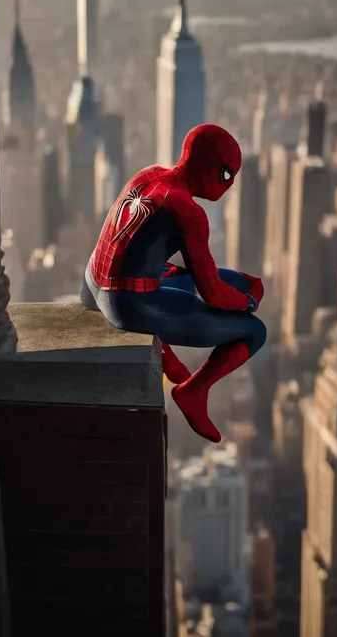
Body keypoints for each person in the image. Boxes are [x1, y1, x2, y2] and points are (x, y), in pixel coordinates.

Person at [81, 123, 267, 443]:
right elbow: (213, 294)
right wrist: (247, 302)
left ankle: (165, 352)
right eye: (226, 175)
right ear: (208, 167)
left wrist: (232, 285)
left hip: (91, 285)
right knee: (254, 330)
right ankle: (194, 391)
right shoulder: (188, 211)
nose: (230, 185)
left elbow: (132, 243)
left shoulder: (150, 174)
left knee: (232, 281)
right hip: (126, 304)